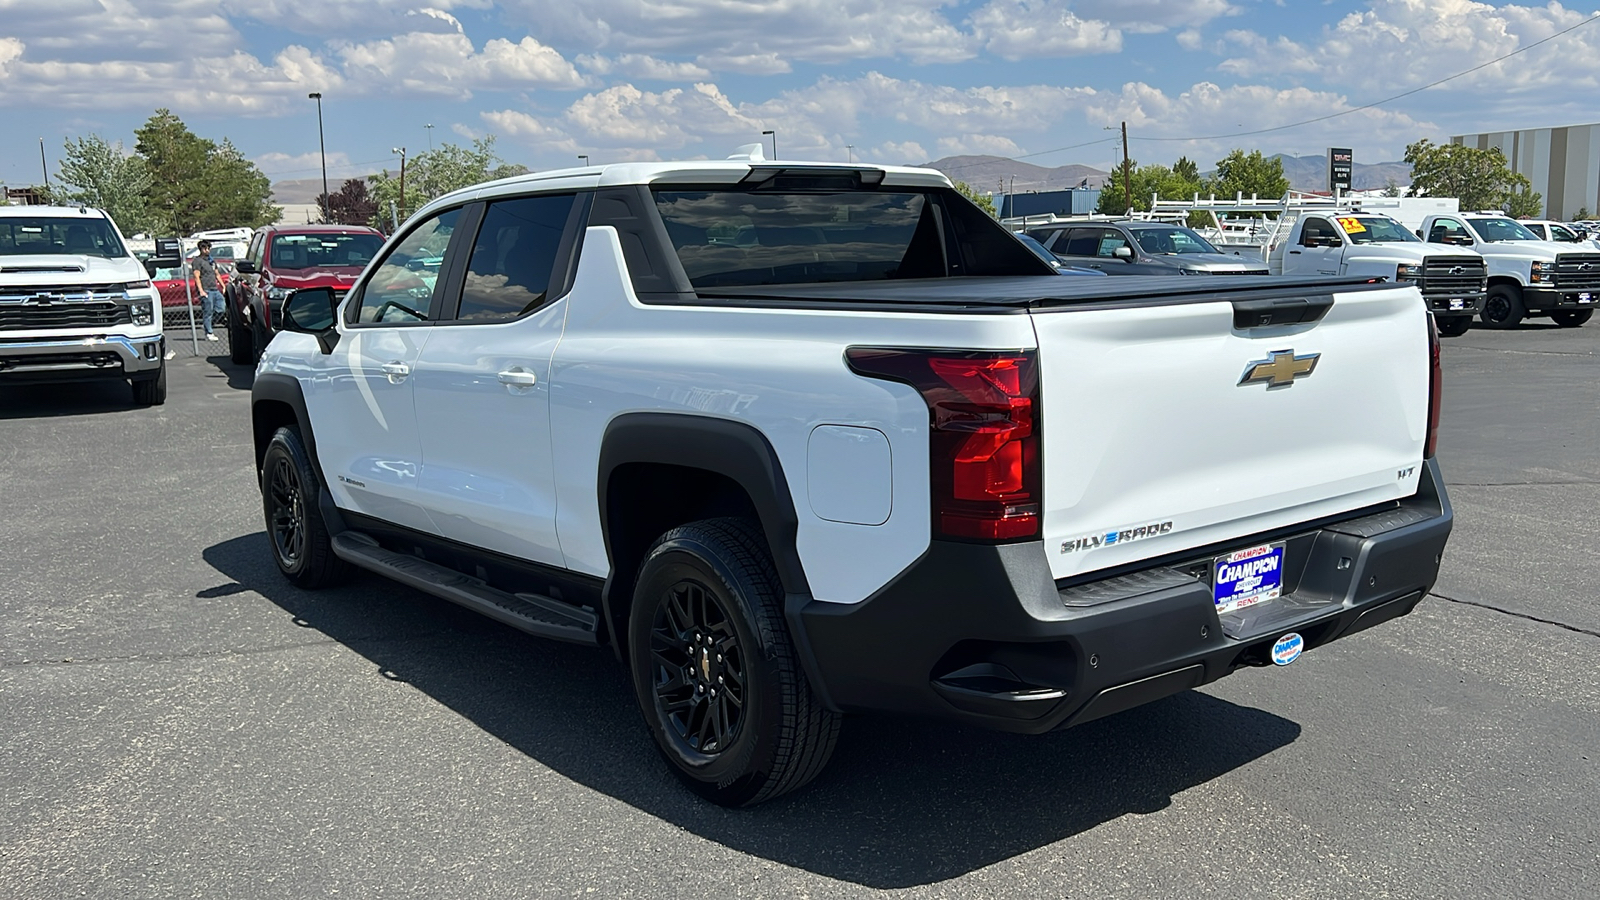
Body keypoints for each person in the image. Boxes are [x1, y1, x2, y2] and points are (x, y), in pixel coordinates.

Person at [191, 239, 225, 341]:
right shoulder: (197, 261)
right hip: (206, 289)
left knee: (221, 308)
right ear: (201, 249)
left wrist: (223, 286)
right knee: (208, 310)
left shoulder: (211, 261)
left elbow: (217, 274)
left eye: (209, 248)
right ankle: (209, 332)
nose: (207, 250)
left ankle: (208, 324)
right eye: (205, 248)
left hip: (214, 289)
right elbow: (196, 276)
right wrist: (201, 290)